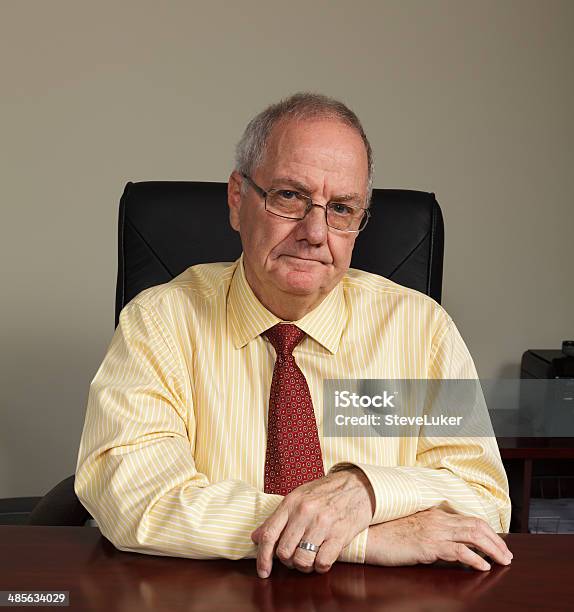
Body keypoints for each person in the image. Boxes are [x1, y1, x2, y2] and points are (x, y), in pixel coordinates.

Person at [75, 92, 512, 578]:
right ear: (238, 200)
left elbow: (484, 499)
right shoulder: (160, 324)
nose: (316, 231)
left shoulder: (417, 330)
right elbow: (135, 497)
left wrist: (366, 491)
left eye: (342, 208)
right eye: (290, 197)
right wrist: (355, 535)